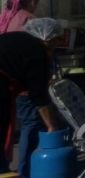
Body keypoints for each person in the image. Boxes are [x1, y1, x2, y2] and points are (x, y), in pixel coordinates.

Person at [0, 18, 61, 175]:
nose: (57, 44)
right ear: (48, 38)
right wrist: (51, 125)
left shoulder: (18, 38)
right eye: (56, 40)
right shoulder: (37, 52)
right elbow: (38, 95)